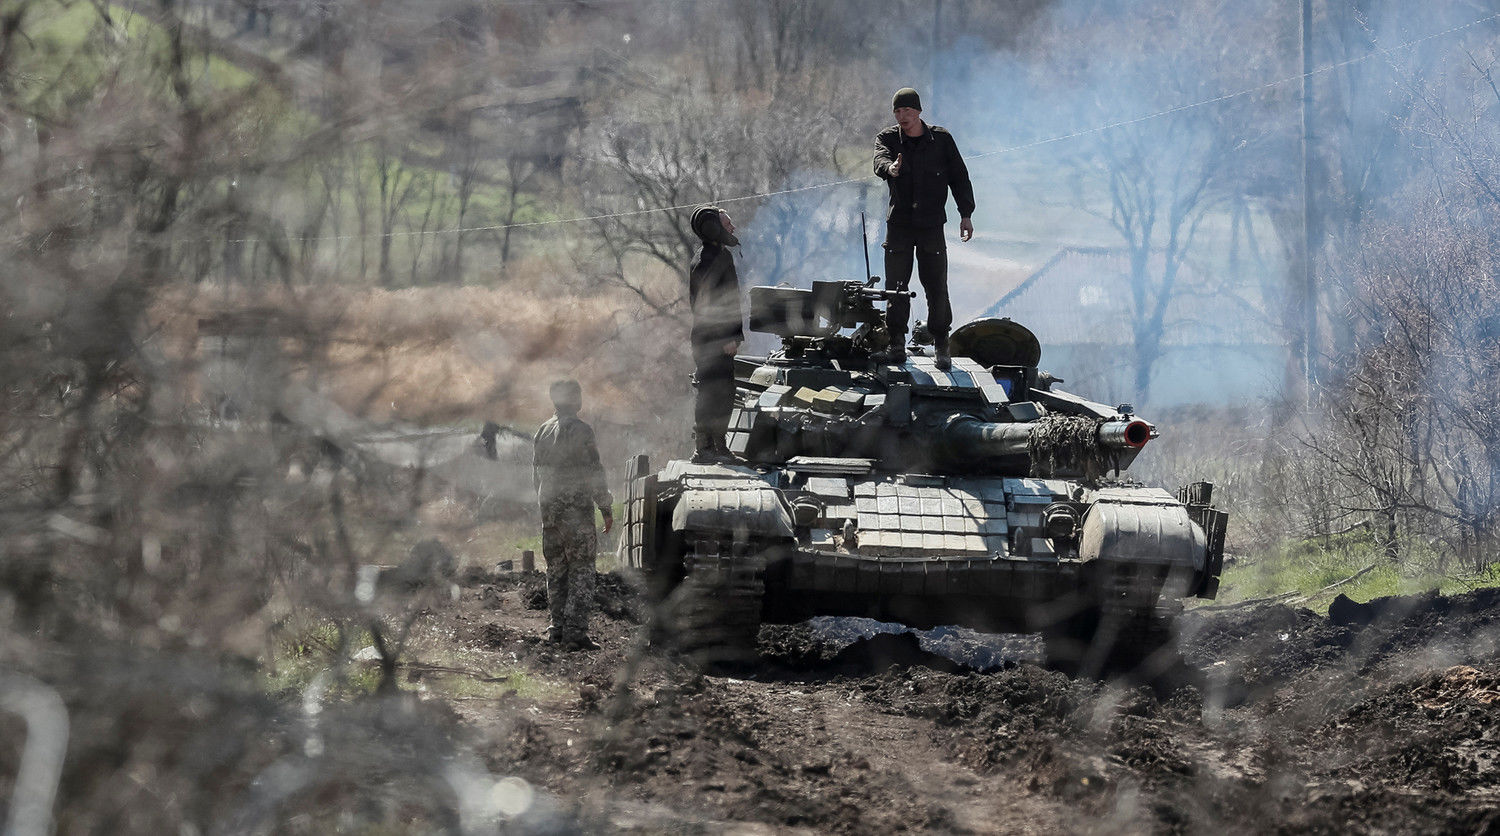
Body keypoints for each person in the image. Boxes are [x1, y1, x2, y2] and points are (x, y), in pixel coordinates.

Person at [873, 87, 975, 370]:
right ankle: (896, 344)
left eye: (907, 110)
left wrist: (965, 213)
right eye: (897, 112)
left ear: (918, 111)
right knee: (895, 288)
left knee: (936, 286)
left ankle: (942, 343)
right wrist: (891, 169)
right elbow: (879, 161)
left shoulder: (941, 139)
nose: (902, 116)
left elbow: (959, 176)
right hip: (900, 225)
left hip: (931, 225)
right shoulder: (888, 138)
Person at [532, 379, 613, 650]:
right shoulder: (582, 430)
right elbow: (594, 472)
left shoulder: (542, 431)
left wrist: (545, 507)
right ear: (574, 400)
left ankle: (557, 630)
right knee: (582, 571)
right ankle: (575, 633)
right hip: (576, 514)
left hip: (550, 514)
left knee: (556, 571)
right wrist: (605, 507)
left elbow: (536, 476)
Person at [688, 205, 744, 461]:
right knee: (712, 393)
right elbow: (707, 306)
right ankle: (706, 448)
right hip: (712, 340)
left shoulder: (718, 255)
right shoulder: (708, 259)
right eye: (727, 224)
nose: (732, 228)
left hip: (714, 338)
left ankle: (718, 446)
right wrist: (726, 338)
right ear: (713, 228)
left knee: (724, 392)